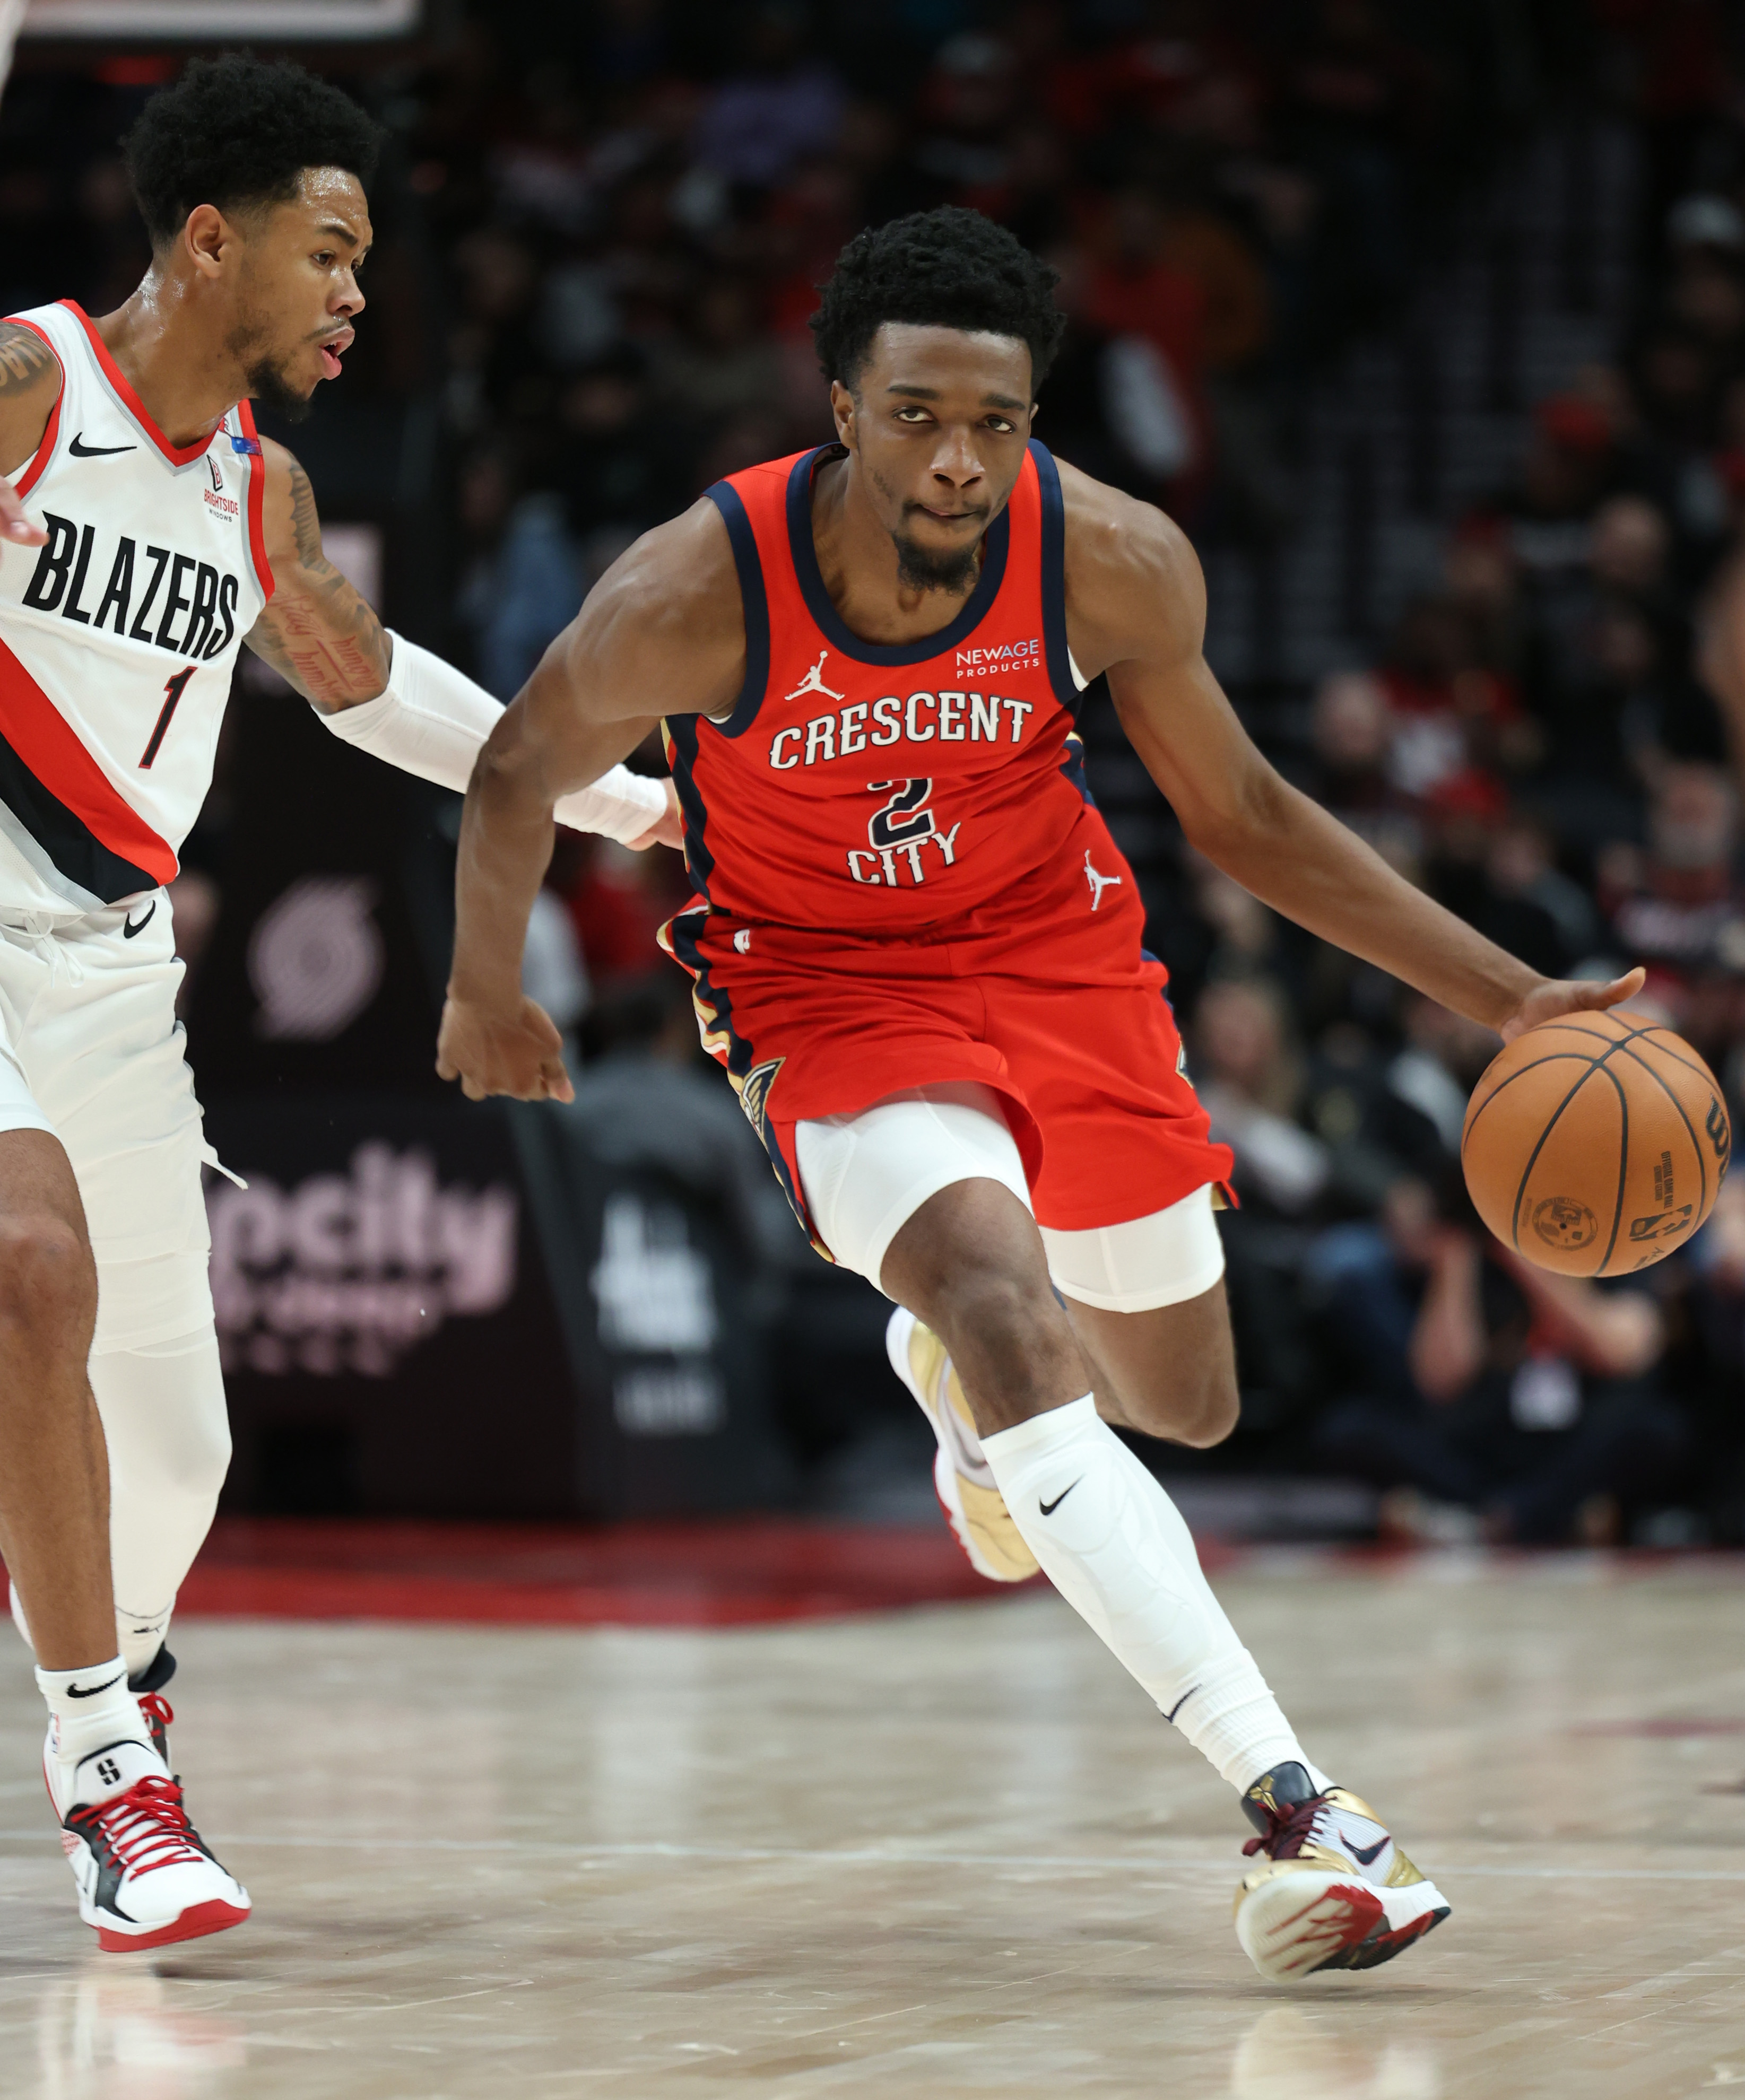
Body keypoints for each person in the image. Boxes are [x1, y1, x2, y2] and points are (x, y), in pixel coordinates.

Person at [435, 206, 1643, 1981]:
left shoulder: (1113, 560)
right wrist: (482, 994)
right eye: (917, 414)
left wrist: (1507, 997)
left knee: (1185, 1400)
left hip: (1054, 953)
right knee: (1008, 1310)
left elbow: (1243, 822)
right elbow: (517, 766)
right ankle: (1305, 1815)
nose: (957, 459)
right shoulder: (695, 591)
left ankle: (958, 1390)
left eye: (994, 423)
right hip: (822, 987)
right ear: (840, 406)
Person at [0, 55, 679, 1954]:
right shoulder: (31, 388)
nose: (355, 290)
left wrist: (620, 799)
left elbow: (366, 682)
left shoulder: (258, 485)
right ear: (212, 242)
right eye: (329, 249)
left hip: (116, 968)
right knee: (26, 1267)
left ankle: (108, 1691)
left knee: (184, 1454)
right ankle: (111, 1779)